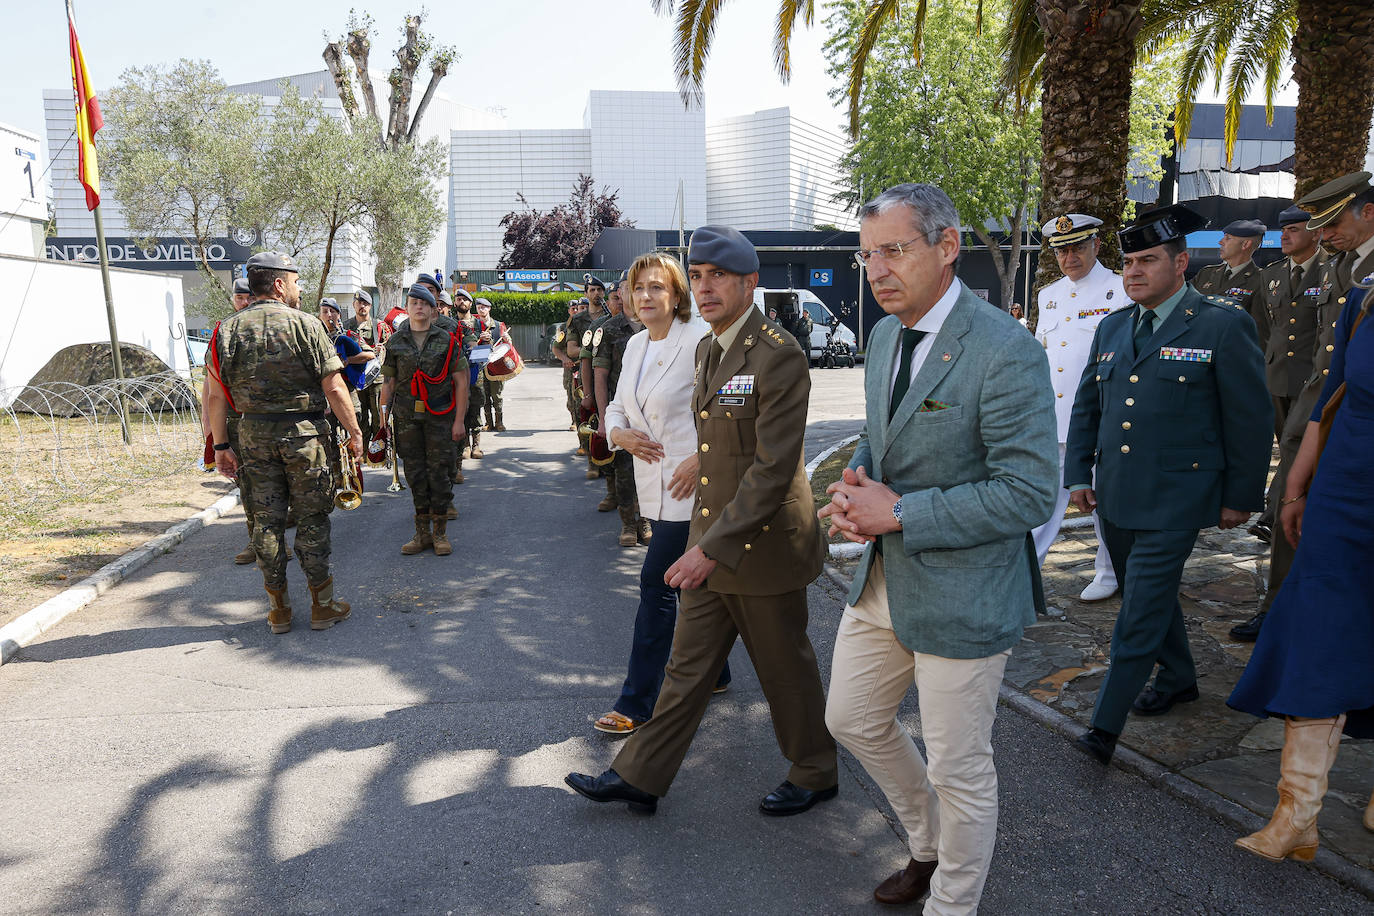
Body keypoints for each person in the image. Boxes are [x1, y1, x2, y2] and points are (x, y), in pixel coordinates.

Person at [818, 184, 1057, 911]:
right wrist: (856, 489)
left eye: (895, 250)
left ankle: (953, 901)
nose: (877, 270)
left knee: (960, 767)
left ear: (947, 246)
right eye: (867, 255)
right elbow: (883, 435)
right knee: (850, 718)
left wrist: (900, 514)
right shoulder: (887, 333)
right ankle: (930, 845)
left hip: (966, 591)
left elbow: (1028, 493)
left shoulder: (1006, 350)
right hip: (887, 579)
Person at [565, 225, 837, 817]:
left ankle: (816, 771)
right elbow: (715, 453)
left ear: (750, 284)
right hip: (711, 535)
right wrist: (702, 537)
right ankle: (640, 774)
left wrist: (708, 546)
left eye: (720, 277)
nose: (706, 287)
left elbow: (771, 468)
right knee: (687, 668)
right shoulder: (712, 348)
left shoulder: (778, 355)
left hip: (761, 547)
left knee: (784, 670)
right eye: (701, 275)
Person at [1064, 205, 1272, 765]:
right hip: (1118, 493)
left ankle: (1105, 726)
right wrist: (1078, 474)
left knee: (1137, 612)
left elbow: (1249, 419)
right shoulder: (1112, 326)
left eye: (1147, 260)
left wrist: (1240, 497)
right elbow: (1089, 407)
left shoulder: (1221, 324)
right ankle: (1179, 676)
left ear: (1180, 263)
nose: (1133, 271)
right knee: (1146, 597)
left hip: (1179, 497)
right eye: (1128, 261)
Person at [1227, 172, 1374, 863]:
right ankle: (1297, 815)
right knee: (1317, 636)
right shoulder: (1363, 291)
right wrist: (1296, 489)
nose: (1326, 232)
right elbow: (1328, 397)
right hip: (1346, 491)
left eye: (1337, 220)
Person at [593, 252, 730, 734]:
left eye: (657, 287)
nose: (645, 296)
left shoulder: (701, 340)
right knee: (701, 583)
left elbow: (732, 410)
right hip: (653, 482)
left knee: (658, 583)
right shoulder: (633, 346)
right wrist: (618, 434)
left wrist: (704, 458)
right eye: (638, 288)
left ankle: (637, 702)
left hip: (697, 484)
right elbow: (616, 406)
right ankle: (717, 671)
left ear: (676, 296)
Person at [204, 252, 360, 633]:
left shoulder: (226, 330)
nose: (299, 287)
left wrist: (221, 446)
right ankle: (322, 607)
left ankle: (278, 611)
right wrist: (355, 432)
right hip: (304, 439)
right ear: (278, 284)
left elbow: (214, 396)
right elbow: (334, 386)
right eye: (295, 281)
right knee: (312, 519)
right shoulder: (307, 325)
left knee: (266, 524)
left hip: (253, 438)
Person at [1032, 213, 1122, 602]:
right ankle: (1027, 572)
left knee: (1104, 501)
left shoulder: (1119, 291)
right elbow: (1042, 355)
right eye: (1062, 250)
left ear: (1096, 246)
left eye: (1077, 247)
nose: (1069, 257)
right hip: (1052, 418)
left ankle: (1109, 570)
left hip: (1099, 418)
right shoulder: (1047, 296)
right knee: (1041, 501)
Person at [379, 284, 468, 557]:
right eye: (413, 302)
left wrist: (459, 422)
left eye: (424, 303)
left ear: (432, 309)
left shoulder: (447, 340)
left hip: (440, 416)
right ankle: (422, 533)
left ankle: (440, 533)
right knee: (415, 475)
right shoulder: (395, 342)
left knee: (440, 473)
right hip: (406, 418)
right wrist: (382, 422)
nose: (418, 306)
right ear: (407, 307)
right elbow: (389, 383)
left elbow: (461, 382)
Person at [201, 277, 259, 566]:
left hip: (265, 418)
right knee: (247, 484)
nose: (245, 303)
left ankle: (275, 538)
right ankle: (256, 541)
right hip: (237, 422)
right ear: (233, 299)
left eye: (249, 297)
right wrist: (210, 427)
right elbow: (210, 388)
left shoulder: (264, 328)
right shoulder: (222, 334)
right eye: (240, 298)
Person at [592, 275, 645, 542]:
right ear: (620, 295)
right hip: (621, 412)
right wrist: (603, 418)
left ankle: (645, 521)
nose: (633, 294)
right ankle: (627, 523)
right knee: (624, 469)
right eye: (627, 289)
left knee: (650, 465)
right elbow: (600, 374)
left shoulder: (656, 325)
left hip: (652, 412)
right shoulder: (610, 329)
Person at [1193, 219, 1269, 339]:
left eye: (1228, 238)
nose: (1220, 242)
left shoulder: (1262, 280)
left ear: (1245, 244)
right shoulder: (1206, 273)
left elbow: (1259, 332)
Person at [342, 290, 385, 443]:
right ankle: (363, 450)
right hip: (355, 378)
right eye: (359, 303)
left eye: (366, 304)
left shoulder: (379, 326)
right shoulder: (346, 326)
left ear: (370, 306)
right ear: (354, 305)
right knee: (359, 415)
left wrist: (380, 351)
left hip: (376, 379)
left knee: (378, 415)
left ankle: (378, 449)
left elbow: (388, 350)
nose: (362, 306)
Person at [473, 297, 512, 432]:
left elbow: (508, 345)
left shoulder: (499, 325)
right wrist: (479, 339)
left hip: (496, 367)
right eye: (479, 307)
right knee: (484, 396)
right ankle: (488, 422)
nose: (481, 309)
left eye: (484, 307)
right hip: (480, 367)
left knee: (497, 395)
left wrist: (508, 339)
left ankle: (499, 422)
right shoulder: (474, 325)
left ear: (489, 308)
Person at [552, 298, 583, 437]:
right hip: (571, 367)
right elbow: (556, 348)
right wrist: (565, 359)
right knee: (572, 395)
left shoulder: (588, 323)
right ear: (569, 311)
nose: (576, 311)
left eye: (578, 308)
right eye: (573, 309)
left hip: (587, 365)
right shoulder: (564, 328)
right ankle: (574, 421)